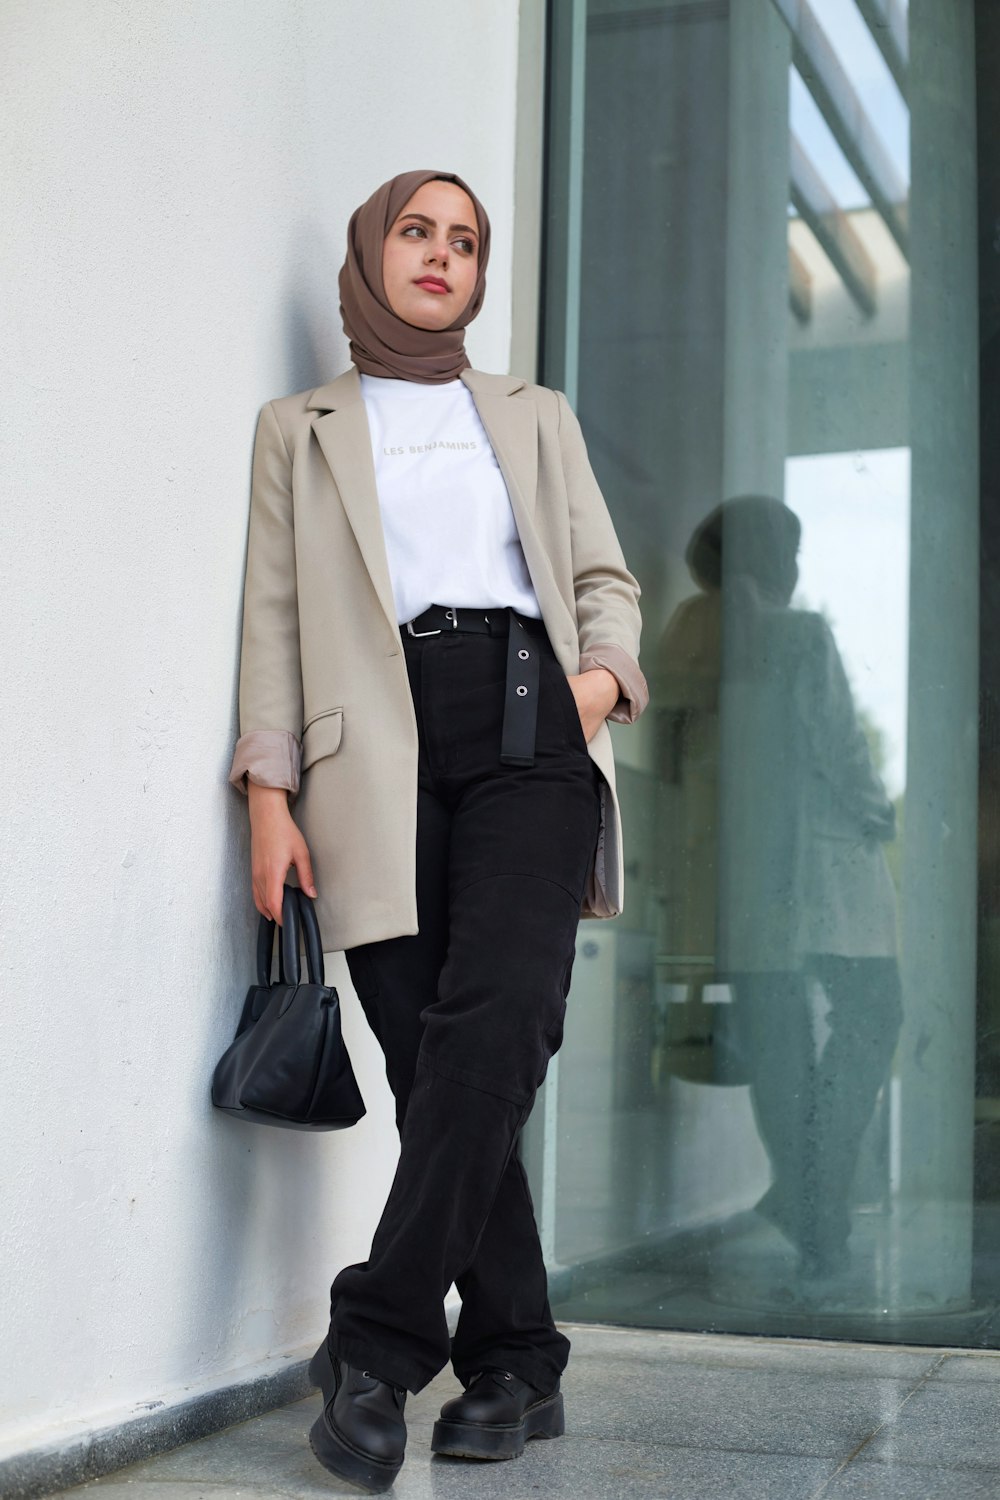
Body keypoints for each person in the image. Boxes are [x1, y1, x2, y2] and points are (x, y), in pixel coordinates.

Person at [227, 170, 647, 1492]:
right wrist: (268, 796)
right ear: (374, 252)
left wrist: (592, 689)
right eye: (418, 231)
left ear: (477, 277)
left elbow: (600, 578)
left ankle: (378, 1344)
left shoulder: (531, 414)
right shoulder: (297, 428)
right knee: (435, 1067)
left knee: (502, 1019)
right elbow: (277, 623)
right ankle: (518, 1356)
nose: (441, 255)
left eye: (463, 243)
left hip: (530, 731)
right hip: (370, 760)